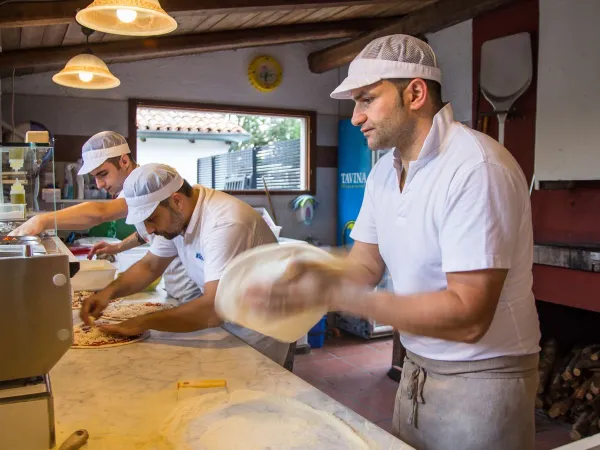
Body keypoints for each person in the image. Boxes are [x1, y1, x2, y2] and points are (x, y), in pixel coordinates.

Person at [241, 35, 541, 450]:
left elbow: (470, 317)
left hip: (483, 377)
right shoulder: (384, 171)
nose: (355, 117)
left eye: (366, 100)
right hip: (419, 369)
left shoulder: (475, 168)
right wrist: (306, 272)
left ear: (415, 93)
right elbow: (365, 265)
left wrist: (336, 295)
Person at [80, 163, 292, 368]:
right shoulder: (176, 217)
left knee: (252, 396)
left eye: (152, 219)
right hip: (228, 321)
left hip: (259, 329)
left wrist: (142, 322)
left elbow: (213, 308)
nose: (150, 230)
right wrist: (107, 294)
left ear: (177, 201)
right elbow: (150, 266)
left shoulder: (224, 224)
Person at [10, 131, 201, 302]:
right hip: (176, 285)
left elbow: (101, 213)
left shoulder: (148, 186)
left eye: (103, 174)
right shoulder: (131, 191)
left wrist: (41, 220)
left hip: (193, 286)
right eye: (95, 177)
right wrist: (117, 247)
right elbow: (148, 232)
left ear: (124, 161)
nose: (100, 184)